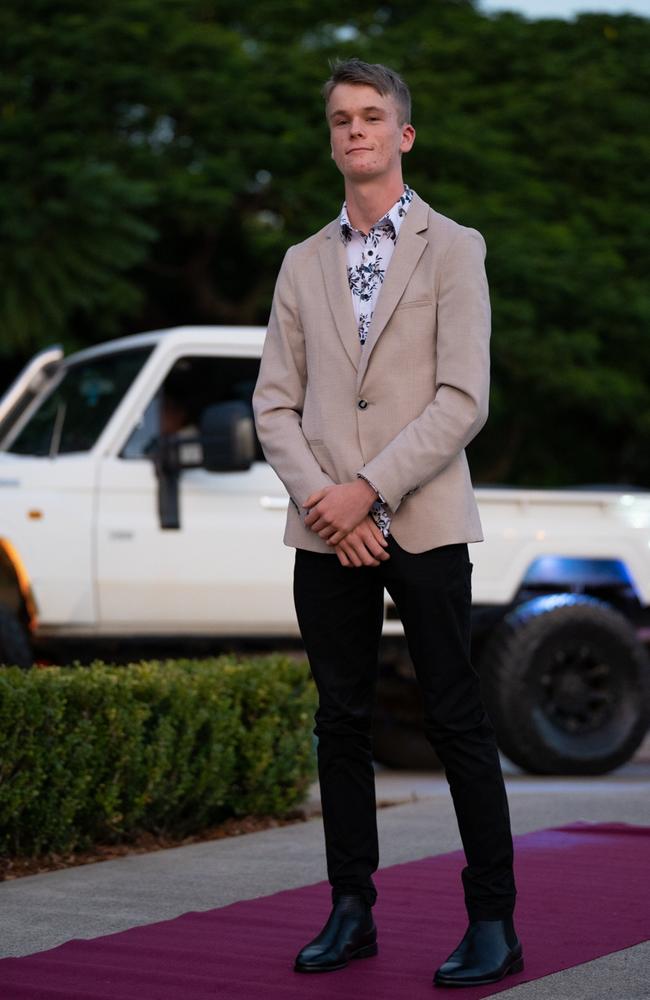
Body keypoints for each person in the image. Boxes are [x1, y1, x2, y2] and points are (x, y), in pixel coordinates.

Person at [253, 58, 521, 988]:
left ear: (404, 134)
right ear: (330, 139)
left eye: (371, 117)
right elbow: (272, 406)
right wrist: (330, 508)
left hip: (425, 517)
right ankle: (351, 909)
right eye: (340, 119)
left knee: (455, 718)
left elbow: (462, 399)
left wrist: (366, 490)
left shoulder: (455, 247)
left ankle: (494, 920)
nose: (354, 130)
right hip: (325, 527)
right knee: (341, 721)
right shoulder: (299, 263)